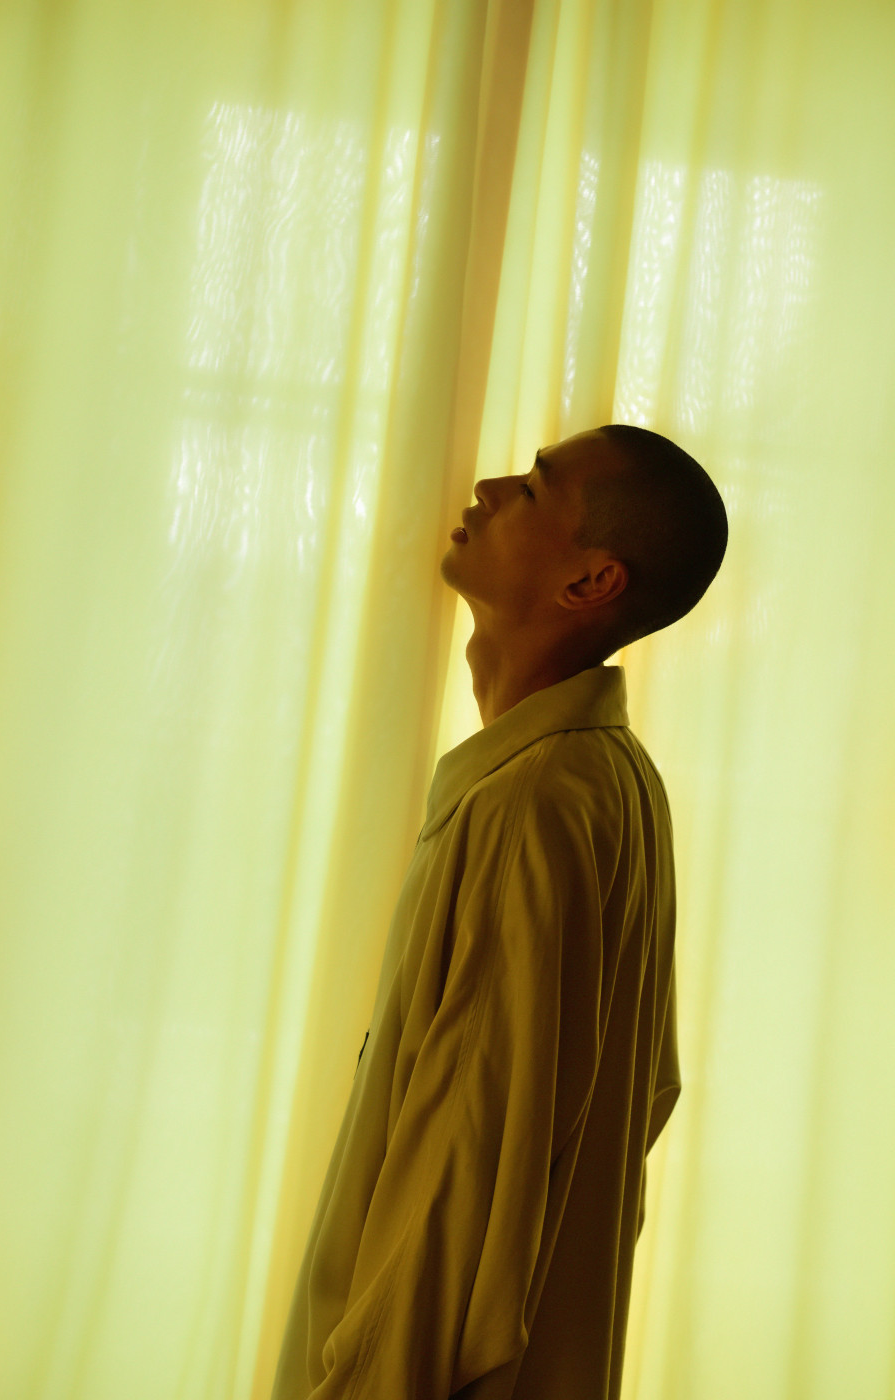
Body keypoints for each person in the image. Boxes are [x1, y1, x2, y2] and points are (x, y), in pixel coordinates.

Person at [271, 424, 728, 1400]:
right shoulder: (610, 779)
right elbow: (641, 1096)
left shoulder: (533, 803)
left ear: (590, 581)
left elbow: (459, 1171)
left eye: (531, 487)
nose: (486, 486)